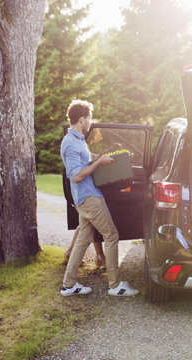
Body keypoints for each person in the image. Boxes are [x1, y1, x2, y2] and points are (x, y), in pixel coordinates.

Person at [60, 99, 138, 297]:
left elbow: (86, 160)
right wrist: (98, 163)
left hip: (87, 198)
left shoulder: (78, 140)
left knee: (82, 242)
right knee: (111, 235)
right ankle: (115, 286)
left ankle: (69, 285)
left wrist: (102, 158)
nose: (91, 122)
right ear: (81, 119)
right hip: (89, 198)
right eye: (89, 118)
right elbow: (76, 175)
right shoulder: (70, 144)